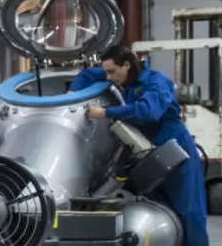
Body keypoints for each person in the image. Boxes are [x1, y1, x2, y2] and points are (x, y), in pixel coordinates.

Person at [70, 45, 209, 245]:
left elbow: (148, 112)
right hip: (147, 158)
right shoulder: (121, 75)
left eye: (112, 72)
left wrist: (107, 113)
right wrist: (71, 96)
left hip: (176, 156)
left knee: (189, 213)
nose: (108, 77)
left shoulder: (157, 81)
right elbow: (87, 75)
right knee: (155, 214)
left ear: (126, 65)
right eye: (106, 72)